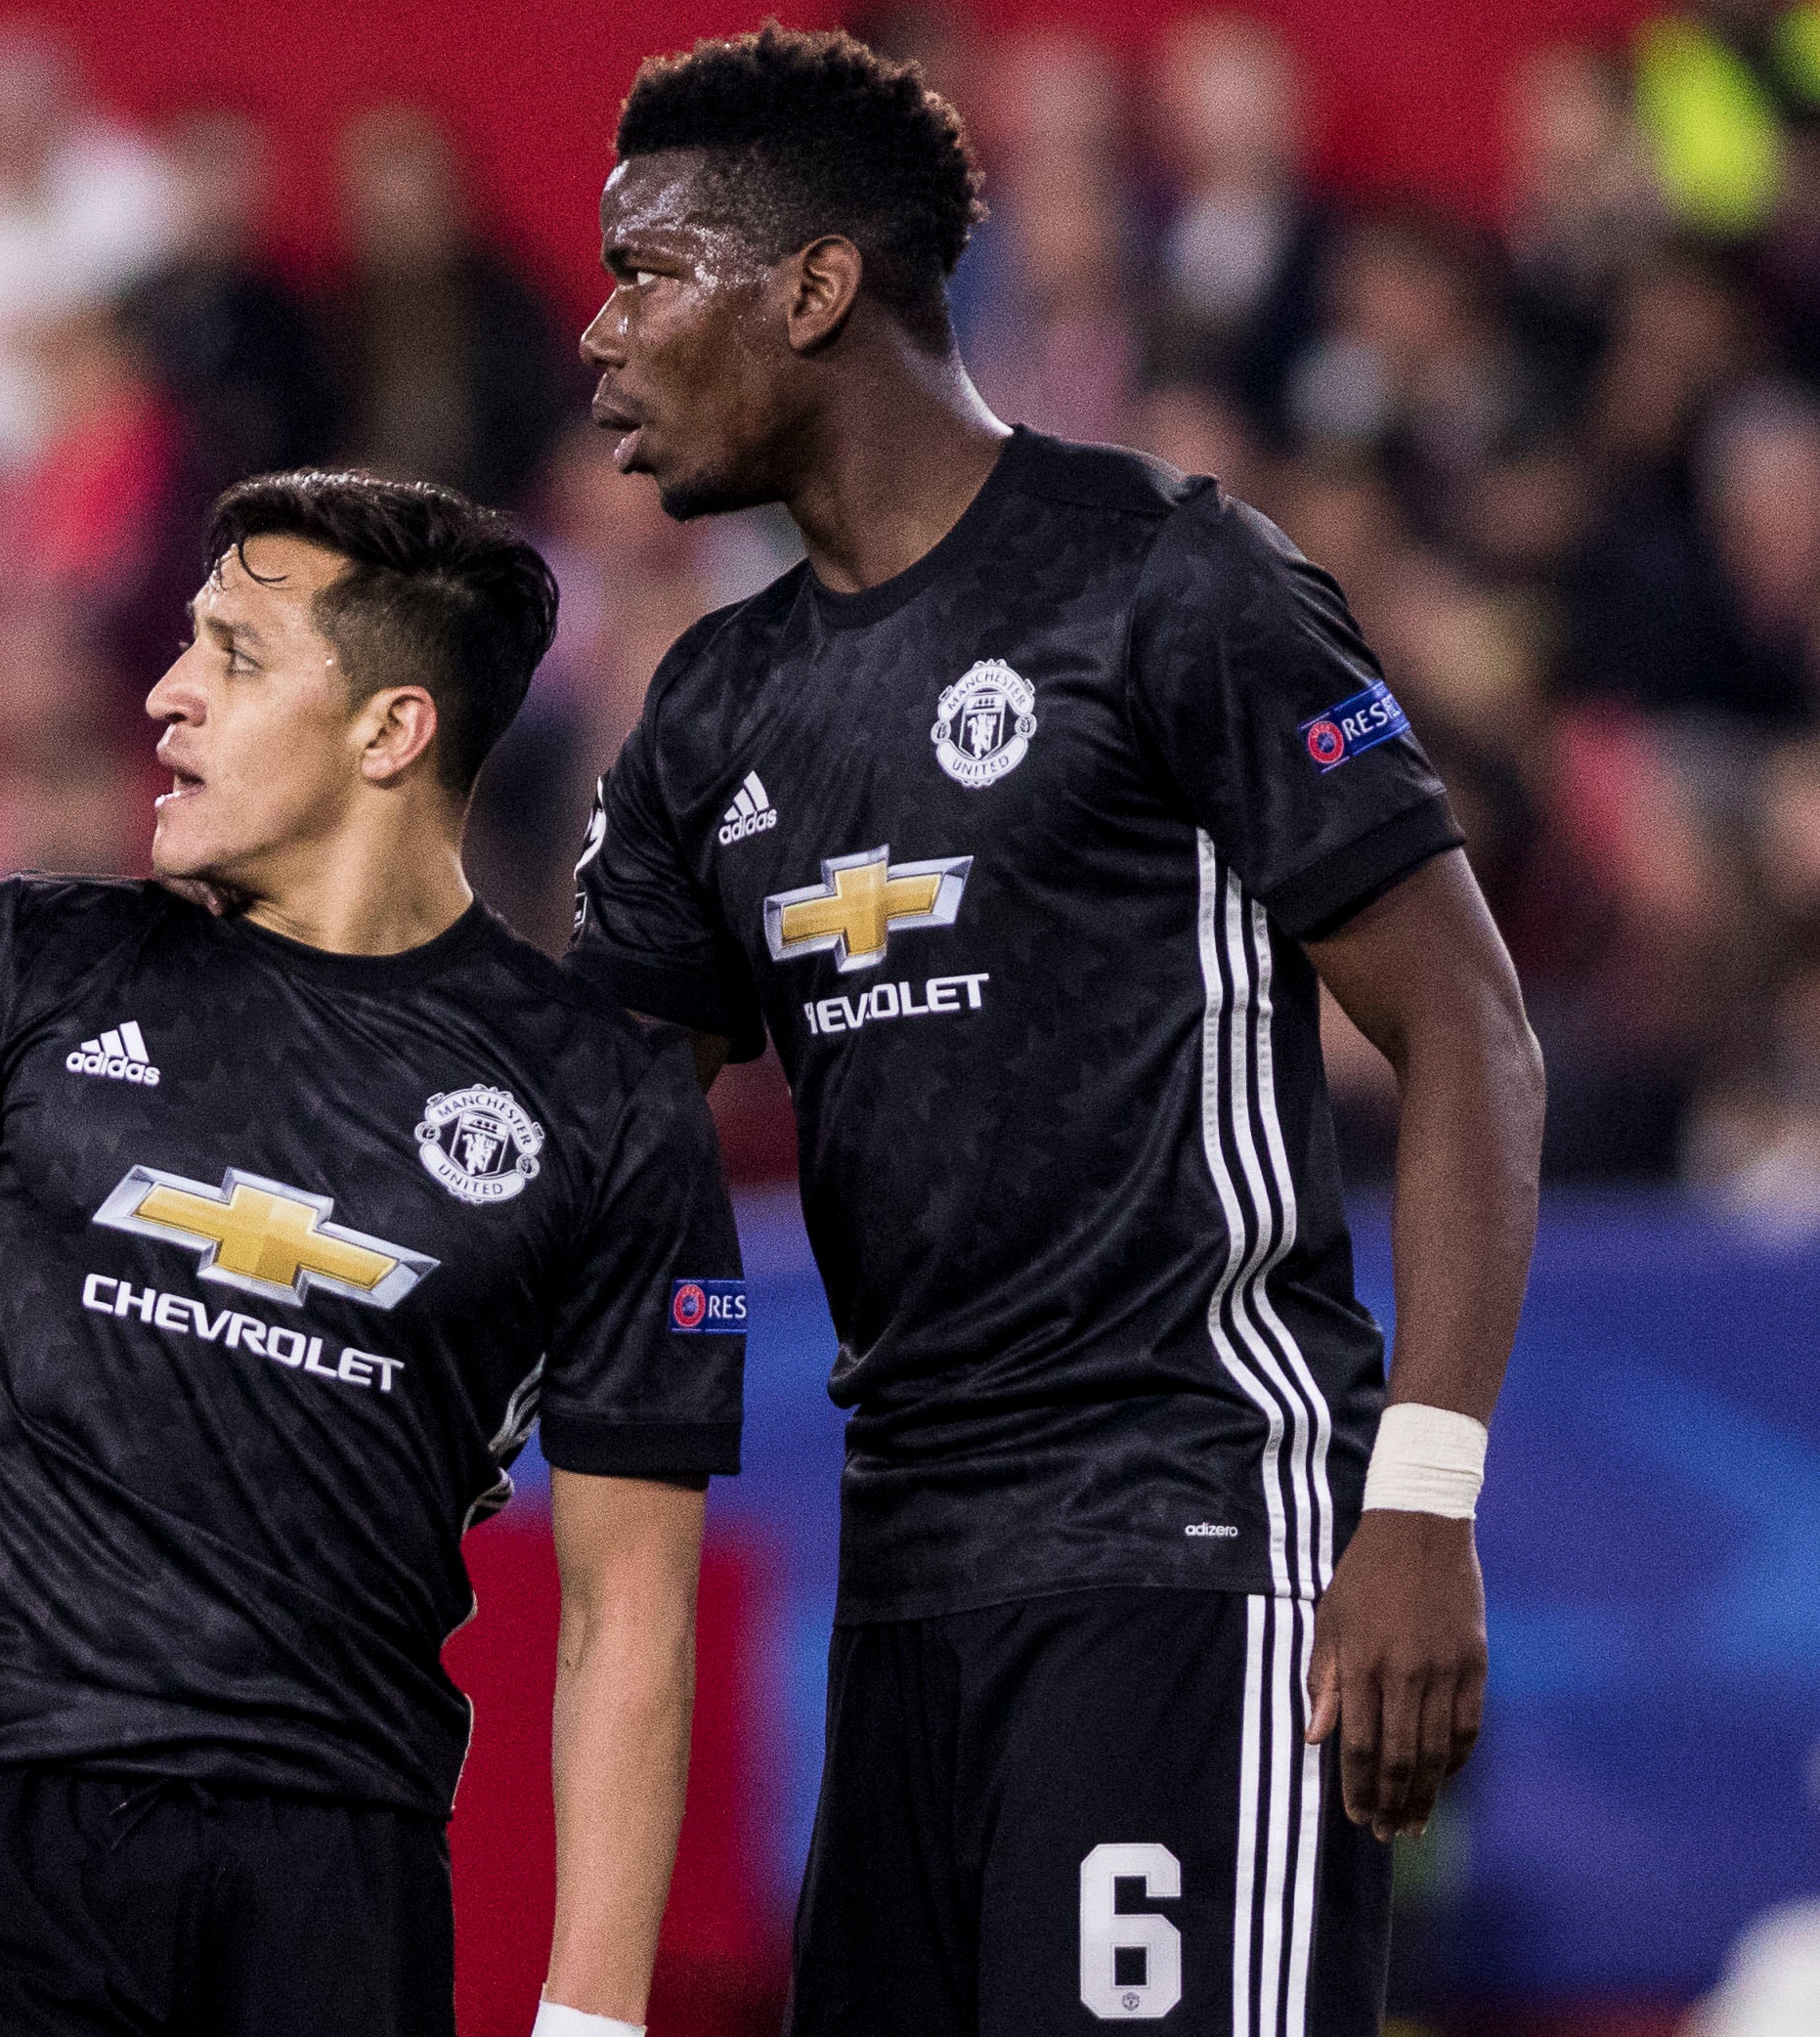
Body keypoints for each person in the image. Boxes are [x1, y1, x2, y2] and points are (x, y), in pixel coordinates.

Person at [569, 29, 1544, 2036]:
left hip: (1196, 1530)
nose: (599, 333)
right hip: (907, 1582)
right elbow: (572, 1138)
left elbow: (1466, 1039)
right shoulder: (707, 709)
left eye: (648, 269)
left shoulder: (1169, 582)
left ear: (813, 287)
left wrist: (1420, 1500)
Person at [0, 471, 745, 2037]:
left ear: (391, 731)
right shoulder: (22, 957)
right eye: (187, 642)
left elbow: (629, 1614)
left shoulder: (605, 1105)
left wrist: (591, 2017)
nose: (165, 695)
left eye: (235, 658)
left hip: (336, 1852)